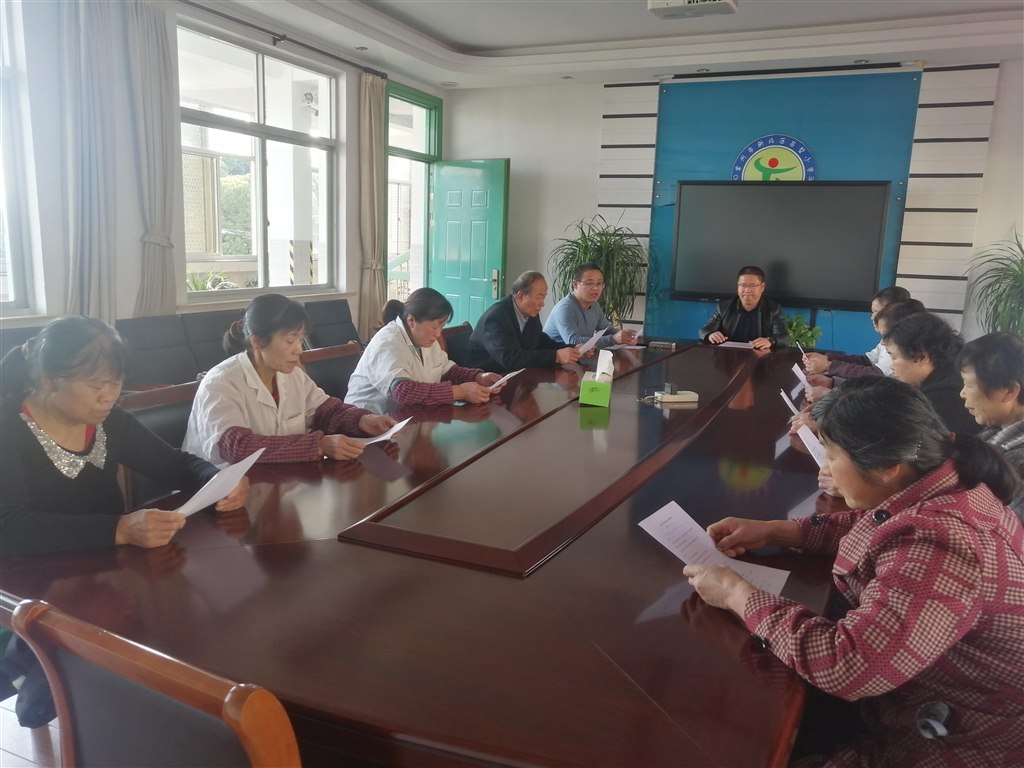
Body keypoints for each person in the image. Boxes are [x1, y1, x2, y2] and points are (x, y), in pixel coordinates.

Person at [684, 377, 1024, 766]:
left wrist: (736, 594)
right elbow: (879, 525)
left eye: (831, 456)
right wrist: (778, 531)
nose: (826, 468)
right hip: (919, 701)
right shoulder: (942, 485)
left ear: (887, 466)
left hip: (961, 738)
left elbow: (849, 665)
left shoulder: (944, 545)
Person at [0, 316, 248, 558]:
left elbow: (172, 464)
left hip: (109, 565)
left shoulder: (111, 421)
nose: (109, 396)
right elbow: (7, 527)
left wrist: (216, 480)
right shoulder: (8, 429)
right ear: (50, 381)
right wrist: (118, 529)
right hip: (32, 574)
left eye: (116, 383)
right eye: (96, 386)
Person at [183, 294, 395, 464]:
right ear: (257, 341)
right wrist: (317, 445)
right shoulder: (221, 383)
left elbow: (326, 411)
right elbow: (237, 446)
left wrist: (363, 420)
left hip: (277, 482)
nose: (298, 350)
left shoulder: (292, 375)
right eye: (290, 340)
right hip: (220, 491)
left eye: (301, 340)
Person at [345, 287, 505, 414]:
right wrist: (460, 392)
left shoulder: (425, 339)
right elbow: (403, 391)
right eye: (435, 326)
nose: (438, 333)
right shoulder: (388, 343)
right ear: (411, 320)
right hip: (369, 427)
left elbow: (448, 371)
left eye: (442, 326)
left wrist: (478, 377)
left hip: (408, 421)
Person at [958, 332, 1024, 520]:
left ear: (1009, 391)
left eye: (969, 385)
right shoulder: (994, 431)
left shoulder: (1017, 464)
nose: (962, 393)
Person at [461, 271, 582, 372]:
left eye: (544, 297)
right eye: (539, 297)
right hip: (486, 378)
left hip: (516, 374)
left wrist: (571, 349)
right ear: (521, 296)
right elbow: (509, 358)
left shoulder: (530, 312)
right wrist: (555, 356)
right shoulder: (495, 318)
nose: (542, 303)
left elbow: (539, 341)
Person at [883, 311, 979, 436]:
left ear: (921, 357)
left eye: (894, 357)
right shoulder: (952, 375)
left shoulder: (942, 399)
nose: (891, 366)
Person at [802, 286, 910, 380]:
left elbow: (878, 375)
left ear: (894, 312)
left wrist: (829, 366)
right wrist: (828, 358)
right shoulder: (887, 337)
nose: (872, 317)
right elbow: (867, 360)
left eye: (877, 312)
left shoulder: (900, 341)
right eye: (872, 312)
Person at [542, 263, 638, 348]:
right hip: (554, 360)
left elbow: (607, 330)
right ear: (575, 284)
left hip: (579, 358)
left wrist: (624, 336)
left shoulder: (594, 305)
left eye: (599, 283)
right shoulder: (565, 308)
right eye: (589, 283)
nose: (595, 288)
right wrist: (612, 339)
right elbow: (573, 342)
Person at [698, 266, 789, 350]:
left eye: (752, 286)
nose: (747, 290)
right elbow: (704, 330)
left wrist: (770, 341)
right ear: (738, 286)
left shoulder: (773, 309)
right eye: (743, 285)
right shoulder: (724, 307)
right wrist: (710, 335)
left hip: (760, 357)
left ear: (762, 287)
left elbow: (784, 337)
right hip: (729, 356)